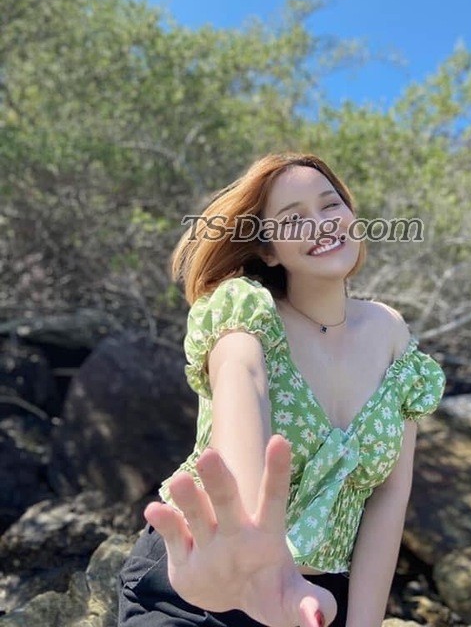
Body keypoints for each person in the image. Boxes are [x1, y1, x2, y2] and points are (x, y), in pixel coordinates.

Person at [117, 151, 446, 627]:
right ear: (269, 250)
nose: (321, 224)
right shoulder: (245, 311)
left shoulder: (390, 331)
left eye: (330, 205)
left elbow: (389, 496)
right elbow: (243, 383)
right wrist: (260, 555)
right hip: (202, 584)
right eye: (293, 219)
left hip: (311, 600)